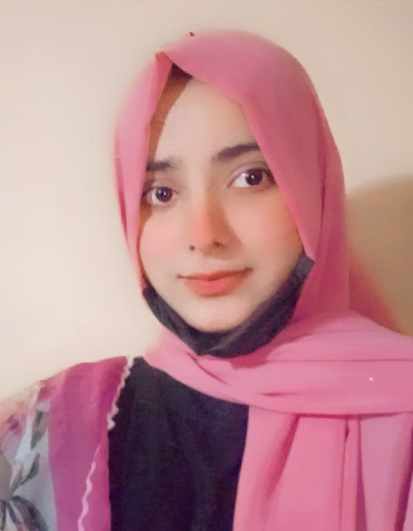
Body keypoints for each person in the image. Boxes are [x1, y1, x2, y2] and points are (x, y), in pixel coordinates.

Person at [1, 28, 412, 531]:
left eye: (251, 178)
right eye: (161, 192)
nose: (204, 236)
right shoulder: (43, 431)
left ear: (313, 190)